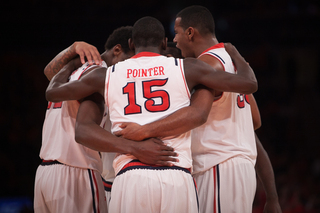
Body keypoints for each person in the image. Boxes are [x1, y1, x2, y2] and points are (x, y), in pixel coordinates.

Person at [45, 16, 257, 212]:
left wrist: (70, 65)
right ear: (165, 43)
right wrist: (237, 56)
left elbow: (53, 93)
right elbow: (249, 84)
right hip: (176, 174)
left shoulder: (106, 75)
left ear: (131, 44)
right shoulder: (187, 68)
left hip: (131, 177)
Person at [115, 6, 282, 213]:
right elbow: (254, 121)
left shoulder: (207, 64)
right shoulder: (230, 63)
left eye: (176, 33)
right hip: (237, 167)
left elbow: (195, 114)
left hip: (218, 165)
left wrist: (143, 130)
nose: (174, 39)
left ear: (190, 32)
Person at [34, 26, 178, 213]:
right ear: (118, 50)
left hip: (45, 174)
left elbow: (49, 74)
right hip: (77, 172)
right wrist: (136, 147)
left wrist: (70, 57)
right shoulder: (100, 76)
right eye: (132, 58)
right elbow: (83, 131)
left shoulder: (73, 72)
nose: (135, 65)